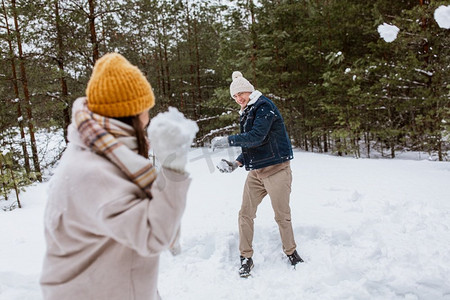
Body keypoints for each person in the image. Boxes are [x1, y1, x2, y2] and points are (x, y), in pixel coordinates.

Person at [40, 53, 196, 299]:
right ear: (131, 113)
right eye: (145, 109)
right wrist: (173, 168)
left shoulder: (98, 152)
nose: (148, 117)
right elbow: (155, 235)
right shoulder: (94, 172)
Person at [211, 71, 304, 278]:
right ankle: (246, 257)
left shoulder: (264, 107)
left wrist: (228, 140)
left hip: (277, 170)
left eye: (240, 94)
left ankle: (291, 253)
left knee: (282, 216)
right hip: (256, 173)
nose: (238, 99)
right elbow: (250, 146)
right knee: (245, 214)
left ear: (249, 90)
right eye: (234, 97)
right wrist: (235, 163)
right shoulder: (247, 111)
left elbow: (256, 137)